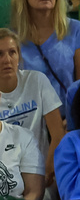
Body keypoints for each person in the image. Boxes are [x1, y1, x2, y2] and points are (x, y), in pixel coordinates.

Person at [11, 0, 80, 106]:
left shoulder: (75, 29)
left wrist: (75, 118)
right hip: (30, 121)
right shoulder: (13, 38)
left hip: (69, 118)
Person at [0, 28, 63, 177]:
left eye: (12, 52)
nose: (7, 60)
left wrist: (47, 172)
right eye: (0, 54)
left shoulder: (37, 81)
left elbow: (58, 134)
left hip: (40, 171)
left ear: (19, 57)